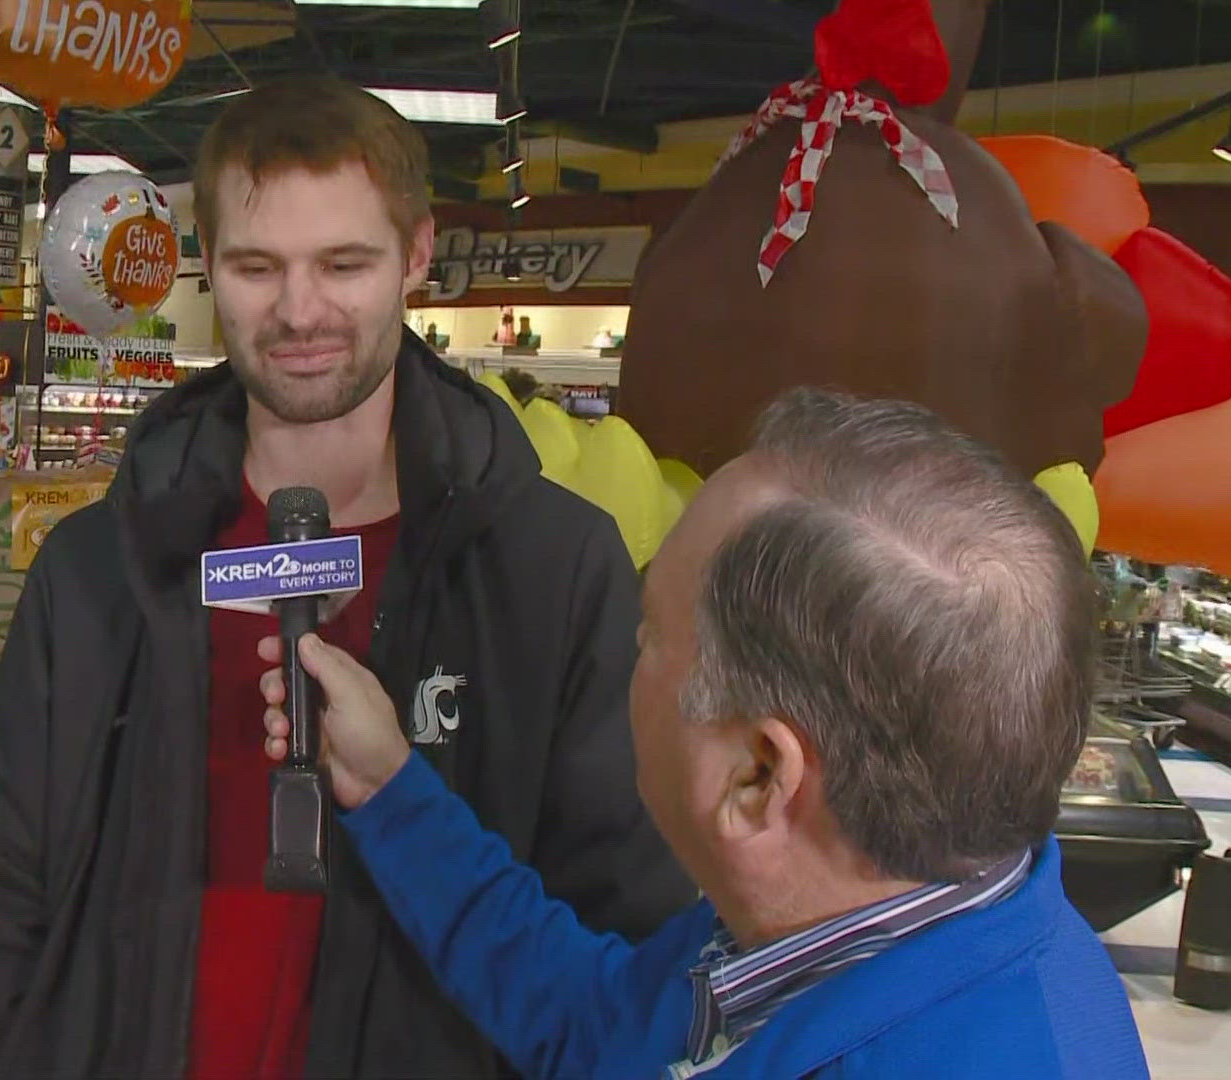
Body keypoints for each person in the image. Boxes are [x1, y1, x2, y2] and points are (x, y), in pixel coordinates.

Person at [0, 74, 692, 1078]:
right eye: (258, 267)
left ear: (417, 256)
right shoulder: (97, 574)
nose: (301, 311)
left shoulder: (550, 574)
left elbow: (625, 921)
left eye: (344, 263)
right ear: (208, 264)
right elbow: (8, 901)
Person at [259, 389, 1150, 1079]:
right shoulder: (867, 924)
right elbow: (596, 1022)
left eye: (648, 635)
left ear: (758, 775)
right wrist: (390, 788)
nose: (624, 656)